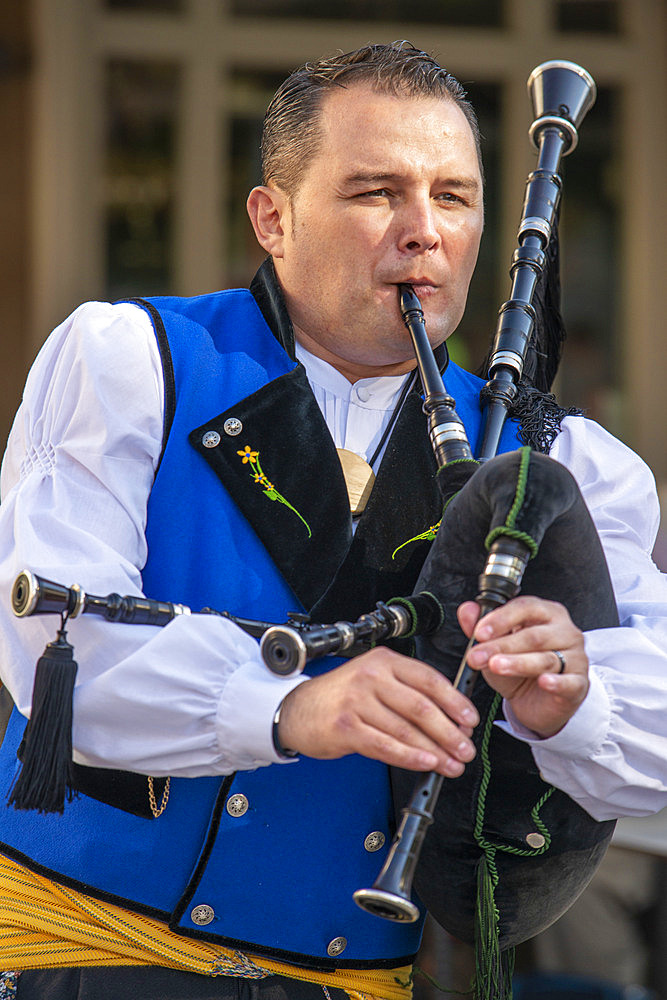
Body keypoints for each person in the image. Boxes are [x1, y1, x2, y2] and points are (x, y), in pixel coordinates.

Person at [0, 41, 666, 1000]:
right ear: (272, 218)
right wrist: (289, 707)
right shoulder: (137, 363)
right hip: (79, 961)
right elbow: (51, 647)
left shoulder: (553, 462)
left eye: (453, 196)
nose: (422, 232)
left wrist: (575, 695)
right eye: (373, 192)